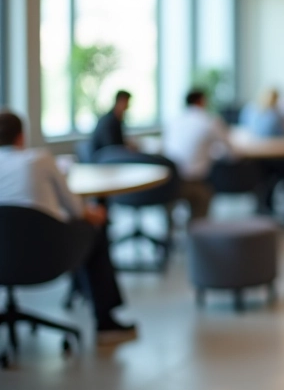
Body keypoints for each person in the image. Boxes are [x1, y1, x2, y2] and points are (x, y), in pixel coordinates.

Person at [0, 110, 137, 345]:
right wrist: (94, 214)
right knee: (94, 231)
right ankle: (105, 321)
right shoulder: (39, 160)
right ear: (21, 137)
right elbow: (75, 209)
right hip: (46, 258)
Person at [163, 89, 231, 225]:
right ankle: (197, 235)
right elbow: (231, 151)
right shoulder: (209, 120)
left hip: (170, 182)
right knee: (204, 193)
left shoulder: (174, 120)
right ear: (201, 101)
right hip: (194, 183)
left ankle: (172, 235)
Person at [90, 90, 132, 154]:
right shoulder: (108, 121)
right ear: (120, 101)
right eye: (126, 102)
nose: (128, 106)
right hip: (106, 156)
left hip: (109, 155)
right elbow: (110, 146)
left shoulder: (116, 118)